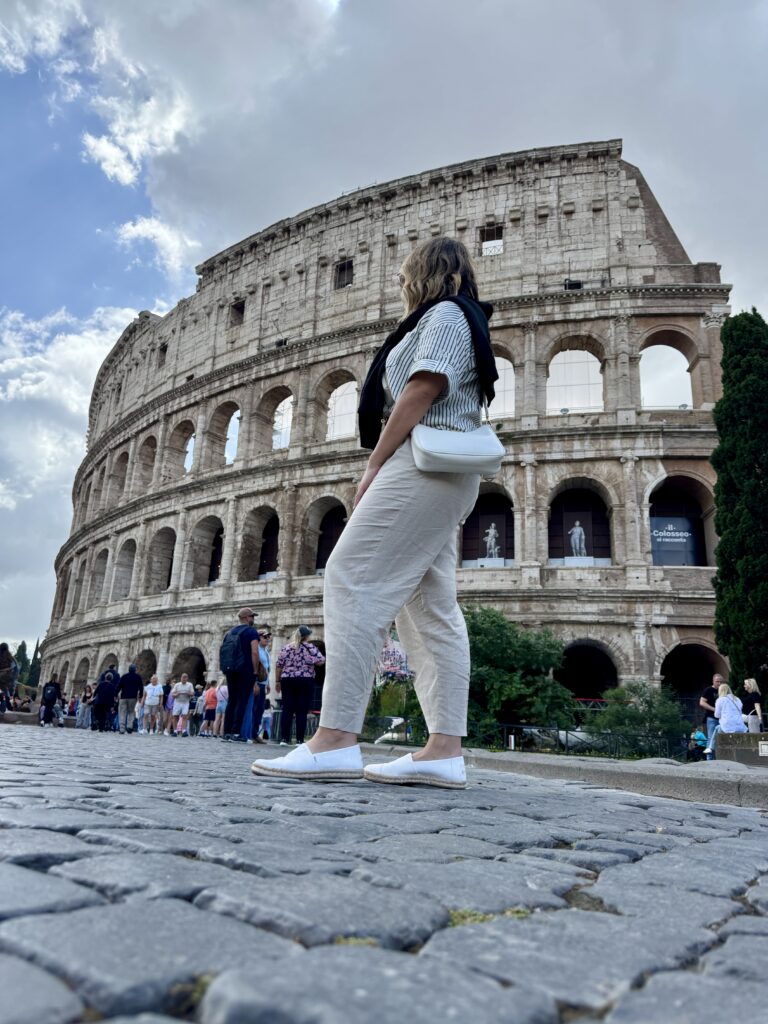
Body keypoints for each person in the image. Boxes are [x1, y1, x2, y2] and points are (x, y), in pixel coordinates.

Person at [252, 237, 497, 788]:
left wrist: (374, 464)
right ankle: (443, 751)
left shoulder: (445, 315)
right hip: (443, 473)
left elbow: (423, 387)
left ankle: (336, 738)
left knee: (351, 576)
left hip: (424, 463)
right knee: (429, 606)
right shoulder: (458, 318)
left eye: (406, 276)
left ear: (424, 275)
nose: (403, 285)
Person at [271, 626, 325, 746]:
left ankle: (284, 739)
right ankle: (300, 740)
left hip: (288, 679)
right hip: (305, 679)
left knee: (287, 709)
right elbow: (321, 661)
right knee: (302, 710)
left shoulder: (287, 647)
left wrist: (277, 681)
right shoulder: (310, 647)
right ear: (306, 636)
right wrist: (311, 660)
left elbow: (279, 665)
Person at [220, 607, 261, 741]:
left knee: (232, 700)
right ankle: (236, 732)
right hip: (245, 670)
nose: (253, 619)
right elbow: (254, 652)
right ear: (247, 618)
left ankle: (226, 732)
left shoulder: (229, 633)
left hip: (231, 669)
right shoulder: (251, 632)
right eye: (252, 616)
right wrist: (255, 670)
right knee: (242, 700)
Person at [705, 682, 747, 755]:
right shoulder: (737, 699)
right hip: (740, 727)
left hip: (728, 727)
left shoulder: (720, 700)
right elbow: (740, 712)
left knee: (717, 728)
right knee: (719, 729)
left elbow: (717, 715)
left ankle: (711, 748)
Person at [251, 628, 272, 745]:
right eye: (265, 637)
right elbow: (254, 667)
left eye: (268, 637)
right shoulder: (256, 650)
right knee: (254, 709)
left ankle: (255, 734)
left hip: (263, 684)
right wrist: (254, 683)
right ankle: (252, 734)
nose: (267, 639)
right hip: (257, 683)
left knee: (259, 710)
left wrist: (268, 683)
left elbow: (266, 669)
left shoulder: (266, 651)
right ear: (258, 638)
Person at [699, 673, 723, 761]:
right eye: (717, 681)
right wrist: (714, 709)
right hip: (711, 717)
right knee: (711, 737)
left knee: (720, 738)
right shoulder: (708, 690)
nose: (719, 683)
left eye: (720, 682)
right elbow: (702, 702)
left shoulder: (723, 691)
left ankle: (719, 757)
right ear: (713, 681)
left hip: (722, 719)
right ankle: (709, 758)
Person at [115, 663, 143, 734]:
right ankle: (129, 726)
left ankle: (122, 728)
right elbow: (141, 687)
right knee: (131, 712)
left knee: (122, 712)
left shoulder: (124, 676)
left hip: (123, 697)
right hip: (133, 697)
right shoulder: (138, 677)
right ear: (135, 670)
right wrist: (140, 696)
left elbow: (119, 686)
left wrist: (115, 694)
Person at [91, 667, 119, 732]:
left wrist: (93, 700)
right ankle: (101, 727)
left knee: (98, 713)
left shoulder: (101, 684)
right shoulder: (112, 686)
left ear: (105, 677)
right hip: (107, 703)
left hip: (99, 701)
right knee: (104, 714)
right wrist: (113, 704)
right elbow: (113, 695)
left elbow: (95, 692)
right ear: (111, 679)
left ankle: (98, 724)